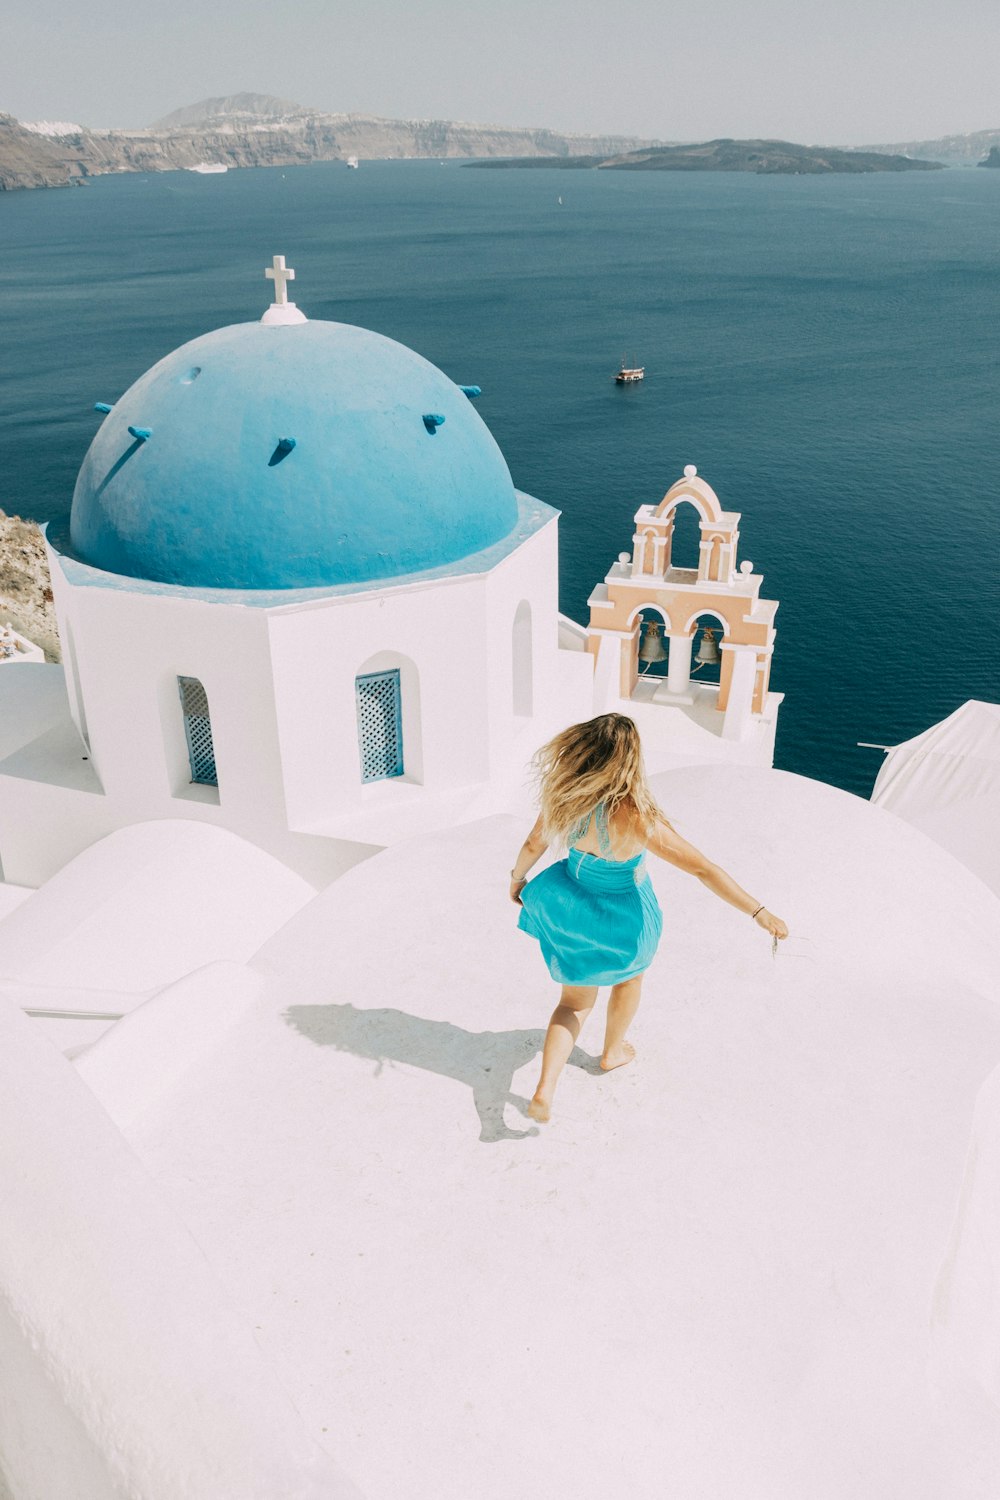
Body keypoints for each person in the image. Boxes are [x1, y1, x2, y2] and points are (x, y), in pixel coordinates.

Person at [510, 713, 788, 1123]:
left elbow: (535, 842)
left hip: (567, 903)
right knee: (629, 978)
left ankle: (545, 1088)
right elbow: (703, 869)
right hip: (622, 915)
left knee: (572, 1003)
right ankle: (612, 1051)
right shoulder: (638, 817)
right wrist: (759, 912)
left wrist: (517, 880)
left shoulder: (563, 795)